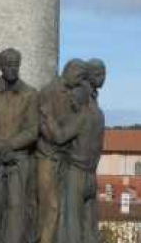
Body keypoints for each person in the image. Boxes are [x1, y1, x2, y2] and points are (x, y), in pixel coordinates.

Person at [0, 48, 39, 243]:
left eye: (15, 65)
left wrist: (11, 145)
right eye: (8, 65)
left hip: (18, 159)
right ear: (0, 66)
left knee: (16, 207)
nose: (12, 69)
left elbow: (33, 129)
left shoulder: (30, 94)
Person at [36, 59, 87, 243]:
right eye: (79, 77)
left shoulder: (75, 93)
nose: (80, 81)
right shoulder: (49, 91)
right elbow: (41, 123)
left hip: (64, 157)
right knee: (50, 205)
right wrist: (54, 140)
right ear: (70, 72)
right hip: (48, 155)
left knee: (59, 206)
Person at [40, 82, 97, 243]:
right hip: (91, 176)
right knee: (88, 225)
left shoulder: (82, 117)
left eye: (72, 100)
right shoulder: (98, 117)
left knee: (72, 224)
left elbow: (60, 137)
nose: (70, 104)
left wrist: (49, 116)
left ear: (79, 100)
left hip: (78, 173)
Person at [82, 59, 107, 243]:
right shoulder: (82, 97)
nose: (103, 78)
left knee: (90, 209)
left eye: (104, 74)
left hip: (90, 164)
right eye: (99, 74)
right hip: (82, 162)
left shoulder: (93, 96)